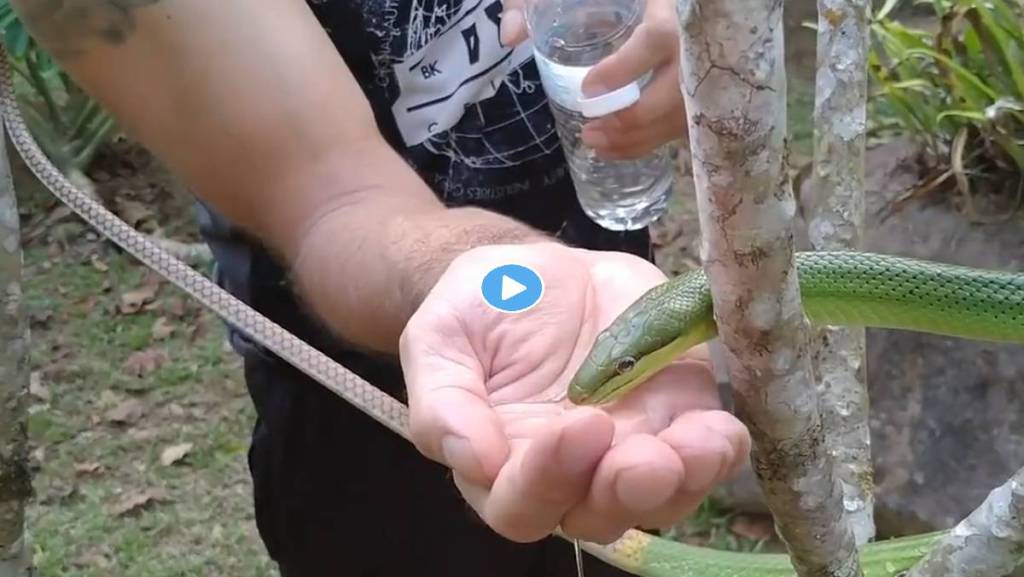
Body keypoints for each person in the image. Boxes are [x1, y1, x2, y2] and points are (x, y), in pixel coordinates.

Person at [13, 1, 751, 575]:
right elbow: (328, 193)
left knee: (617, 520)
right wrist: (499, 272)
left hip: (615, 325)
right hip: (368, 411)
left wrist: (711, 35)